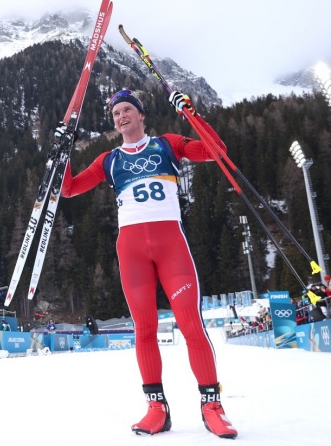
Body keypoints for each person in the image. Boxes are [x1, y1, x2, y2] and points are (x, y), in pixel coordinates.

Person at [60, 90, 237, 438]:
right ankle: (156, 408)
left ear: (141, 115)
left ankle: (212, 406)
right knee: (144, 329)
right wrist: (63, 151)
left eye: (127, 110)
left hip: (171, 247)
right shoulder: (109, 160)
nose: (121, 116)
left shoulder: (167, 144)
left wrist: (191, 114)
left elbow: (216, 151)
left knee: (191, 324)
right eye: (116, 113)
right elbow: (68, 189)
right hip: (132, 252)